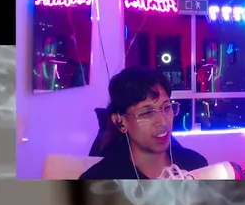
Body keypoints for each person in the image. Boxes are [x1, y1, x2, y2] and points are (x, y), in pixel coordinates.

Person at [80, 66, 208, 180]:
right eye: (147, 113)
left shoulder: (196, 166)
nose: (163, 122)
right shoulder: (97, 181)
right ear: (120, 122)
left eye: (166, 107)